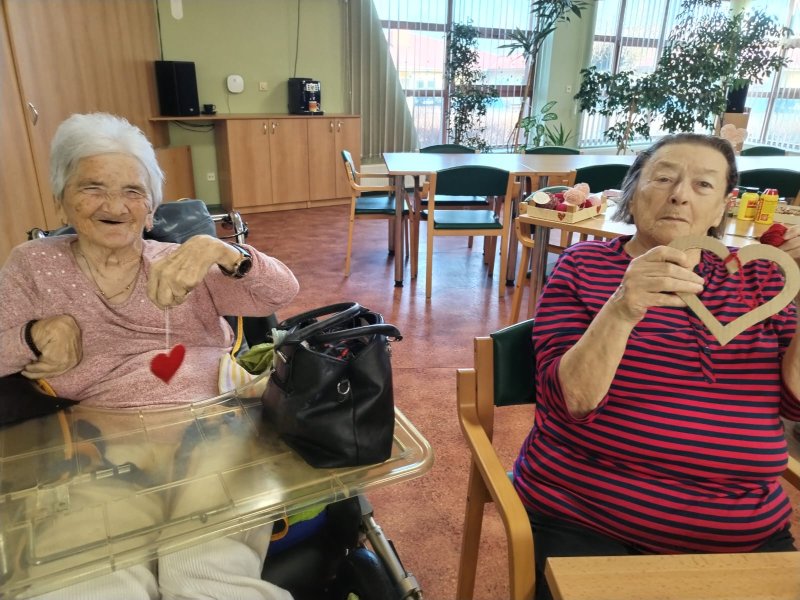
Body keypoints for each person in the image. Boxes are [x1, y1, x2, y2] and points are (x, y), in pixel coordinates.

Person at [0, 113, 300, 599]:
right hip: (101, 444)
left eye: (133, 192)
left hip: (215, 426)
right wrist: (33, 335)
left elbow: (280, 292)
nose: (115, 205)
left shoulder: (182, 261)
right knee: (82, 581)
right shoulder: (33, 264)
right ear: (61, 197)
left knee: (204, 576)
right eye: (92, 188)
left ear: (151, 209)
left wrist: (223, 252)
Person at [512, 132, 800, 600]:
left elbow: (796, 403)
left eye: (703, 185)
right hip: (589, 511)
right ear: (632, 192)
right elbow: (571, 402)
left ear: (723, 206)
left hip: (743, 528)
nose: (680, 195)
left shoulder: (763, 278)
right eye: (664, 178)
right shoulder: (584, 266)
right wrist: (623, 306)